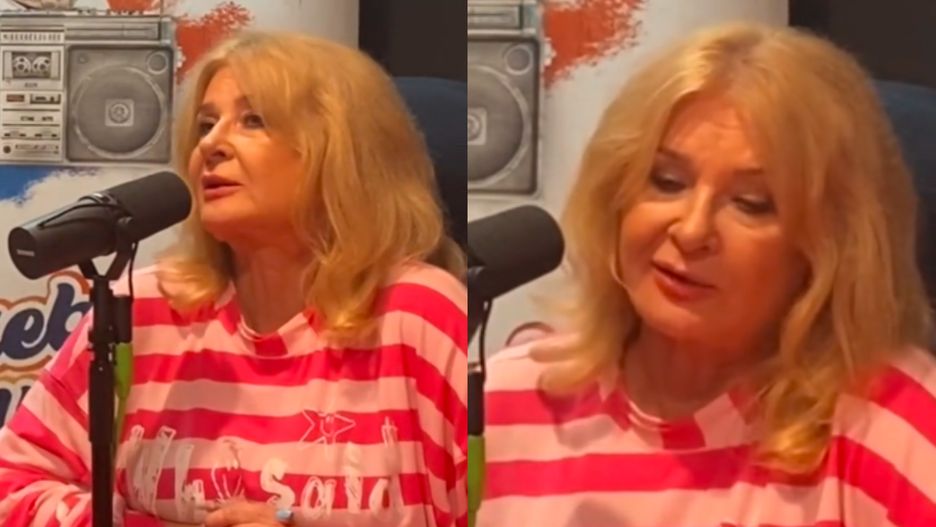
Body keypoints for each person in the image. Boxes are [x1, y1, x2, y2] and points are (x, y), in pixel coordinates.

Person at [0, 31, 467, 527]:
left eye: (253, 120)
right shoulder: (138, 310)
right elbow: (13, 486)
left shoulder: (419, 314)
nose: (210, 144)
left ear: (340, 150)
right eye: (206, 125)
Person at [479, 22, 936, 526]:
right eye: (666, 181)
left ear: (828, 245)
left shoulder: (893, 420)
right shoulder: (506, 397)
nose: (692, 230)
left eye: (751, 204)